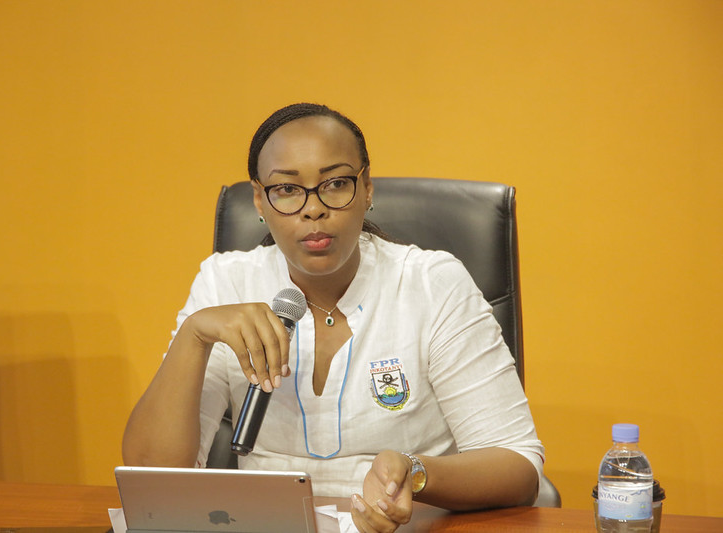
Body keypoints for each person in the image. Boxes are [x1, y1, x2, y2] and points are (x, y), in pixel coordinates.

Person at [122, 103, 544, 533]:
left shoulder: (431, 284)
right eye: (287, 190)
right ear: (259, 201)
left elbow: (517, 467)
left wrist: (416, 473)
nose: (313, 209)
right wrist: (195, 337)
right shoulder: (225, 281)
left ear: (366, 189)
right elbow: (150, 479)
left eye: (336, 183)